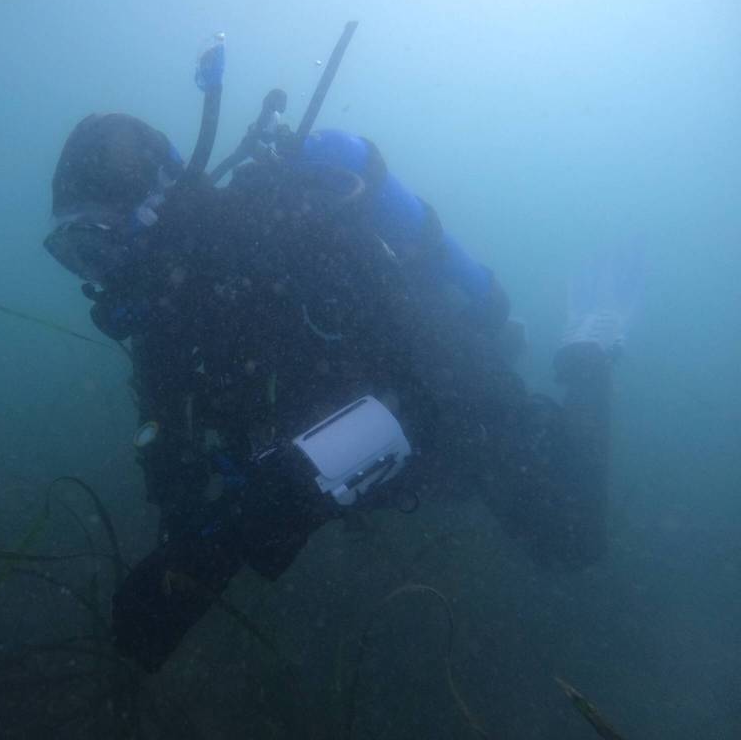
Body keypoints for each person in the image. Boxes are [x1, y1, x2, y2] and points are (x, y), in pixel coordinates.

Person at [43, 42, 628, 673]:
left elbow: (419, 395)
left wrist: (238, 531)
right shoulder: (164, 322)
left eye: (95, 246)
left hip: (454, 399)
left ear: (153, 208)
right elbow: (175, 457)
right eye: (72, 255)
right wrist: (185, 561)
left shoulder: (285, 235)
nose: (96, 278)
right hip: (374, 468)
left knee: (572, 541)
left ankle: (591, 349)